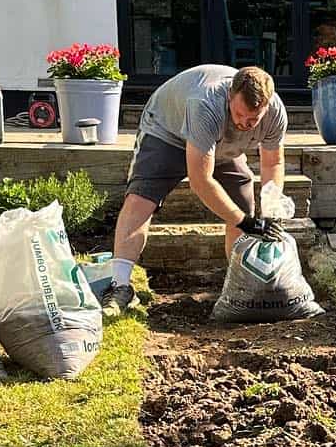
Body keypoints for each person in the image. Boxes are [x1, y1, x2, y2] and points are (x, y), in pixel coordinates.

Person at [102, 63, 288, 310]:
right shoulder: (206, 103)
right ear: (230, 96)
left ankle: (240, 287)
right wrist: (243, 221)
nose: (245, 123)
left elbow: (272, 163)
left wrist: (271, 211)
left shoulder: (276, 113)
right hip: (166, 132)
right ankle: (120, 286)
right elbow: (201, 181)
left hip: (223, 146)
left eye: (254, 119)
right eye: (240, 114)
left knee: (244, 204)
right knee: (141, 198)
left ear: (267, 106)